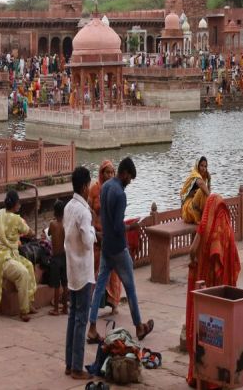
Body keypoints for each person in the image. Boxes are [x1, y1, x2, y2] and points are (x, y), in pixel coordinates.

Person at [87, 157, 153, 342]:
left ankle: (92, 327)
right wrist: (132, 228)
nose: (129, 182)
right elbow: (118, 226)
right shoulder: (120, 194)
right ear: (124, 174)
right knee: (130, 287)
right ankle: (139, 326)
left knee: (99, 286)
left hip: (106, 244)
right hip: (117, 247)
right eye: (130, 178)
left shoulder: (106, 186)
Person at [185, 193, 242, 385]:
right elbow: (231, 259)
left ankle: (201, 376)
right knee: (219, 332)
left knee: (204, 330)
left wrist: (193, 261)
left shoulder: (207, 224)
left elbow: (194, 250)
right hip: (222, 291)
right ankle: (218, 377)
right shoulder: (223, 223)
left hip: (205, 288)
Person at [63, 166, 95, 381]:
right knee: (81, 318)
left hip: (72, 269)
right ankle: (76, 367)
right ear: (84, 187)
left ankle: (69, 363)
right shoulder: (83, 211)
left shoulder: (68, 207)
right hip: (82, 269)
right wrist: (93, 232)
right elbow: (87, 241)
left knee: (73, 316)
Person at [0, 190, 38, 322]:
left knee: (28, 265)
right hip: (3, 258)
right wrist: (33, 234)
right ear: (16, 205)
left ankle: (29, 302)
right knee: (23, 272)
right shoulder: (17, 219)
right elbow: (29, 232)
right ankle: (23, 311)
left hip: (8, 254)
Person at [88, 160, 122, 313]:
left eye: (111, 172)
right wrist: (95, 231)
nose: (109, 175)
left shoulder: (116, 190)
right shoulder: (95, 189)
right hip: (97, 234)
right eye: (106, 172)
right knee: (96, 269)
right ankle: (94, 302)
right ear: (102, 174)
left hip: (110, 236)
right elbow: (89, 210)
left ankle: (114, 303)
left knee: (113, 272)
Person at [48, 200, 68, 316]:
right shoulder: (65, 225)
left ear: (54, 212)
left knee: (56, 285)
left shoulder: (52, 224)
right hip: (64, 256)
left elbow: (49, 233)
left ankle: (56, 308)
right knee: (65, 284)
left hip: (55, 258)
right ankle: (65, 307)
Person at [180, 156, 211, 224]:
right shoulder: (195, 175)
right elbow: (201, 185)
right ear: (197, 166)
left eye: (205, 166)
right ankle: (199, 217)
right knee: (201, 191)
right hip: (188, 211)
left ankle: (204, 216)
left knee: (204, 194)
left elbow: (207, 192)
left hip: (194, 210)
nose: (203, 168)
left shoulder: (202, 178)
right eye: (201, 165)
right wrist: (212, 199)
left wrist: (209, 181)